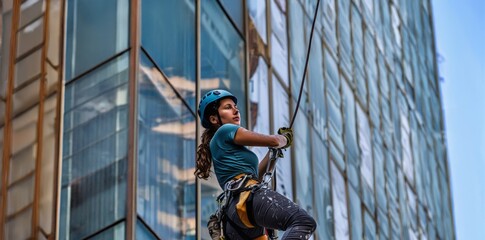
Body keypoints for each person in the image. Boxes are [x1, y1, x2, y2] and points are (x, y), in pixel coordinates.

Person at [195, 89, 316, 240]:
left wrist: (273, 154)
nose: (235, 110)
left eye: (235, 107)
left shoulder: (224, 148)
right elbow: (274, 140)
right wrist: (283, 139)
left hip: (236, 214)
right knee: (303, 222)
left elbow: (256, 177)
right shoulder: (225, 131)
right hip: (245, 200)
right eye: (227, 107)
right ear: (214, 119)